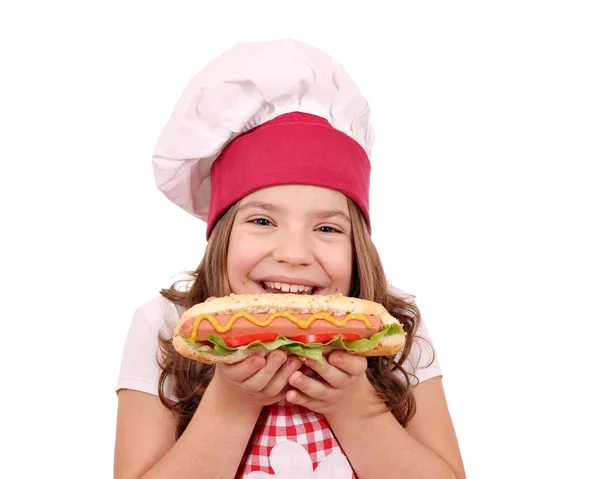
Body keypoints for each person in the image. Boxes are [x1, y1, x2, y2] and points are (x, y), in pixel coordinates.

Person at [114, 39, 465, 479]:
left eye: (327, 228)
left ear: (359, 247)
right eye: (262, 221)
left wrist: (358, 411)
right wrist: (230, 405)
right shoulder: (165, 326)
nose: (295, 254)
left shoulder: (395, 327)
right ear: (221, 233)